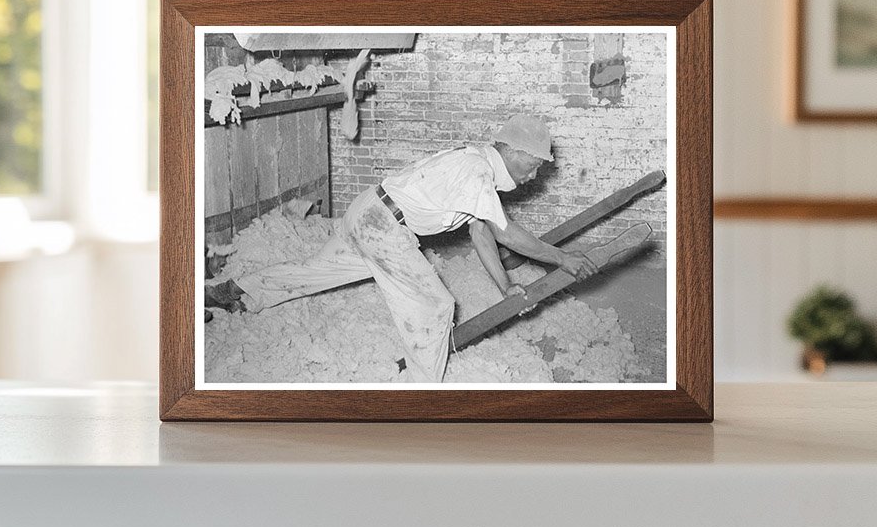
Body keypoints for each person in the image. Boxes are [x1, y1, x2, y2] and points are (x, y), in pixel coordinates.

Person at [215, 116, 596, 382]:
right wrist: (563, 257)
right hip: (384, 226)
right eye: (532, 166)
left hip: (369, 210)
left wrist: (505, 287)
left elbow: (482, 232)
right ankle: (422, 397)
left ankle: (239, 290)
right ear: (512, 150)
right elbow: (508, 234)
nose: (533, 177)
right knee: (435, 307)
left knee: (319, 270)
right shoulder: (477, 172)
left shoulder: (476, 165)